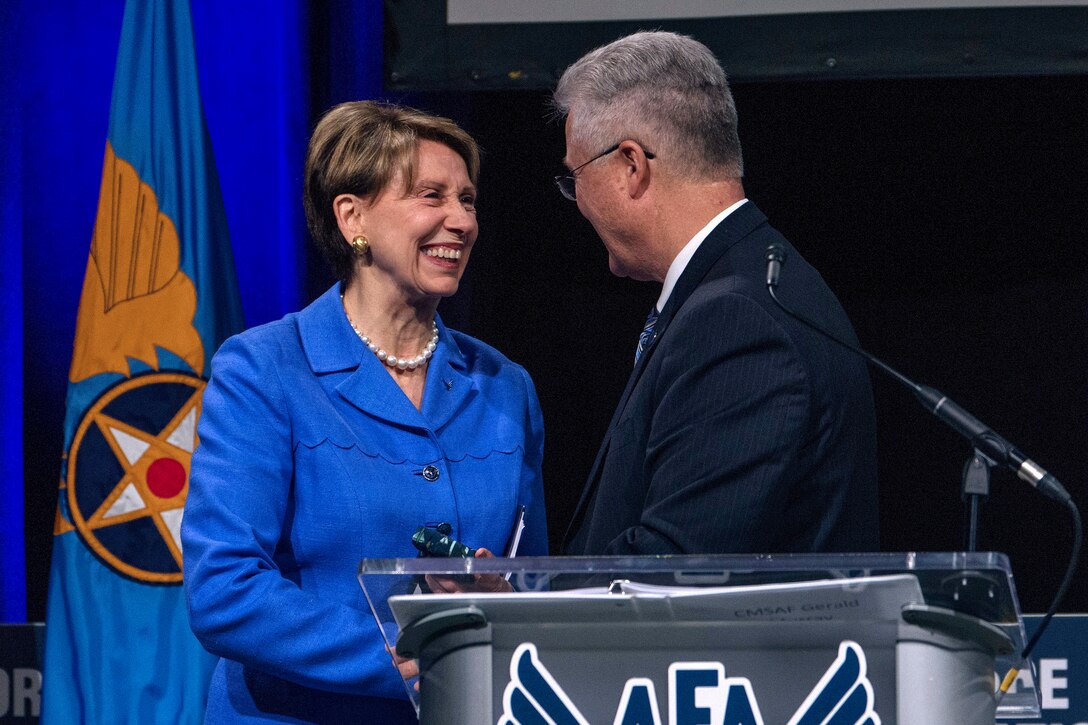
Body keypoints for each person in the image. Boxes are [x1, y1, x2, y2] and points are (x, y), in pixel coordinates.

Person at [182, 101, 547, 724]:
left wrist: (505, 595)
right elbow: (224, 590)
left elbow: (536, 580)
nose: (461, 220)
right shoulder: (263, 369)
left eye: (468, 200)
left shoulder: (505, 386)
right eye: (431, 196)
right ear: (353, 217)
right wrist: (409, 654)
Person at [553, 31, 878, 556]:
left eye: (576, 177)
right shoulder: (759, 277)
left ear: (631, 166)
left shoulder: (736, 320)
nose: (578, 202)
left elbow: (677, 565)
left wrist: (530, 592)